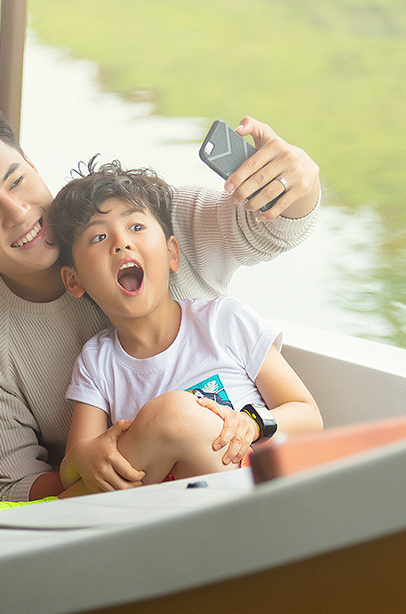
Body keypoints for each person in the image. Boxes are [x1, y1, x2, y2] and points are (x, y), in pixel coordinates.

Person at [0, 104, 321, 504]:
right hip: (139, 508)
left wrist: (298, 179)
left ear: (33, 166)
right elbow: (8, 488)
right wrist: (103, 462)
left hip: (256, 483)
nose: (18, 212)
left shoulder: (147, 218)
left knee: (173, 417)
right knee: (170, 419)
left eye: (17, 180)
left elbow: (276, 227)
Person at [49, 159, 321, 492]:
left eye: (136, 227)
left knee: (171, 413)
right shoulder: (97, 360)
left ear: (172, 254)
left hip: (254, 483)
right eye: (99, 237)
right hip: (167, 503)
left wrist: (252, 422)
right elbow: (73, 470)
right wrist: (83, 458)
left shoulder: (223, 321)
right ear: (74, 281)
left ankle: (52, 516)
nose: (121, 243)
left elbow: (308, 416)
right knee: (103, 471)